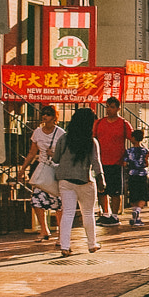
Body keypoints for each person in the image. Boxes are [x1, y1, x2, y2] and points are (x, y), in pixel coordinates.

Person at [51, 107, 102, 256]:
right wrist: (101, 179)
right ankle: (92, 244)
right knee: (88, 213)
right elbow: (96, 162)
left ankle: (65, 246)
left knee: (67, 213)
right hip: (85, 181)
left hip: (65, 180)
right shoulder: (91, 141)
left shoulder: (64, 138)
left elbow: (56, 159)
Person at [24, 105, 63, 240]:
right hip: (42, 168)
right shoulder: (37, 132)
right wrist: (23, 168)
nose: (44, 116)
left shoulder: (61, 133)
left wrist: (55, 154)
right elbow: (32, 152)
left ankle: (60, 233)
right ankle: (44, 229)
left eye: (48, 114)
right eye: (43, 113)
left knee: (58, 202)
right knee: (36, 200)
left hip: (56, 170)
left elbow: (65, 152)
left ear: (54, 117)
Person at [92, 97, 131, 223]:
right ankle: (105, 213)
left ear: (118, 108)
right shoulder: (99, 123)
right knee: (102, 190)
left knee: (115, 191)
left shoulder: (123, 123)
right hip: (101, 162)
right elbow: (92, 138)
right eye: (107, 106)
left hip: (116, 162)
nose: (109, 109)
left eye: (112, 107)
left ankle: (114, 215)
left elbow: (134, 139)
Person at [123, 129, 149, 227]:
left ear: (133, 139)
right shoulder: (146, 151)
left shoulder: (128, 151)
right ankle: (138, 212)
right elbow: (147, 162)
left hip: (132, 174)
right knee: (143, 195)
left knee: (133, 194)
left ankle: (134, 214)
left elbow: (124, 163)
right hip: (143, 174)